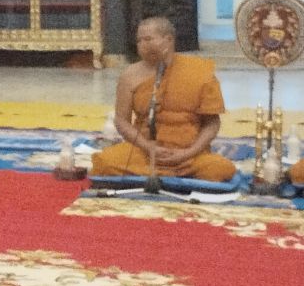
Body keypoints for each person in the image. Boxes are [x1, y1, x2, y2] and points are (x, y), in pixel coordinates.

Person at [91, 16, 237, 181]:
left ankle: (160, 176)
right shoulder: (130, 75)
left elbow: (212, 123)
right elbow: (121, 120)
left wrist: (188, 153)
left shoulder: (199, 72)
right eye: (139, 41)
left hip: (189, 155)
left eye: (148, 39)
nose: (142, 45)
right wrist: (148, 147)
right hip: (145, 152)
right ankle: (175, 179)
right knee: (105, 163)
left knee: (221, 170)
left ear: (168, 40)